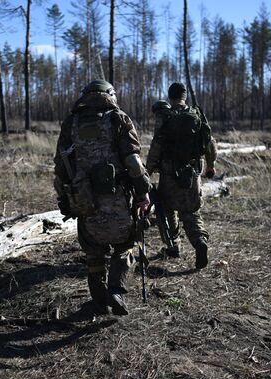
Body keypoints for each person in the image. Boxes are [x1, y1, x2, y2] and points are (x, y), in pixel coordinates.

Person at [53, 80, 151, 315]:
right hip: (117, 197)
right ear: (110, 95)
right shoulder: (118, 119)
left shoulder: (71, 123)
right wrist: (143, 190)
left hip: (85, 199)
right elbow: (133, 161)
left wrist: (65, 198)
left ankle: (99, 300)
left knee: (93, 250)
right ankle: (116, 290)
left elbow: (60, 166)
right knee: (125, 244)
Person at [146, 82, 217, 270]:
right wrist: (210, 165)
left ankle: (173, 246)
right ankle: (199, 241)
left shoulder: (165, 116)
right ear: (185, 96)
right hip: (192, 173)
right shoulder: (196, 114)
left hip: (169, 174)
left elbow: (157, 144)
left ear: (170, 96)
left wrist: (149, 168)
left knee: (167, 210)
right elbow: (210, 143)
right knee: (191, 211)